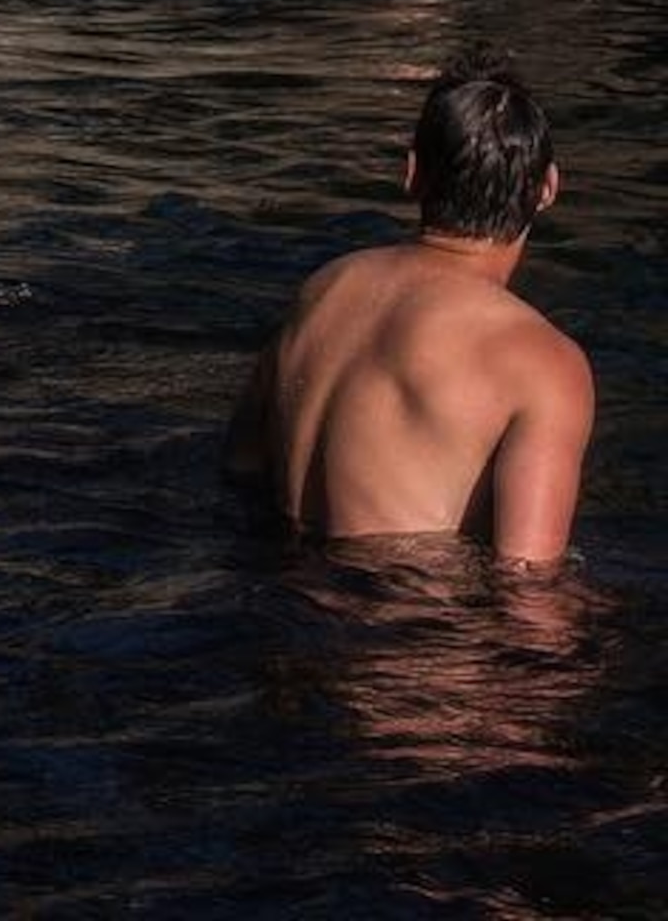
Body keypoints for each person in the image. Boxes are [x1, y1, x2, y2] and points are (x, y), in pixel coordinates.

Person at [226, 54, 593, 566]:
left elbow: (242, 466)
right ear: (548, 187)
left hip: (280, 606)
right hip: (406, 628)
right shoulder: (542, 361)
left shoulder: (323, 289)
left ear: (413, 172)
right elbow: (528, 594)